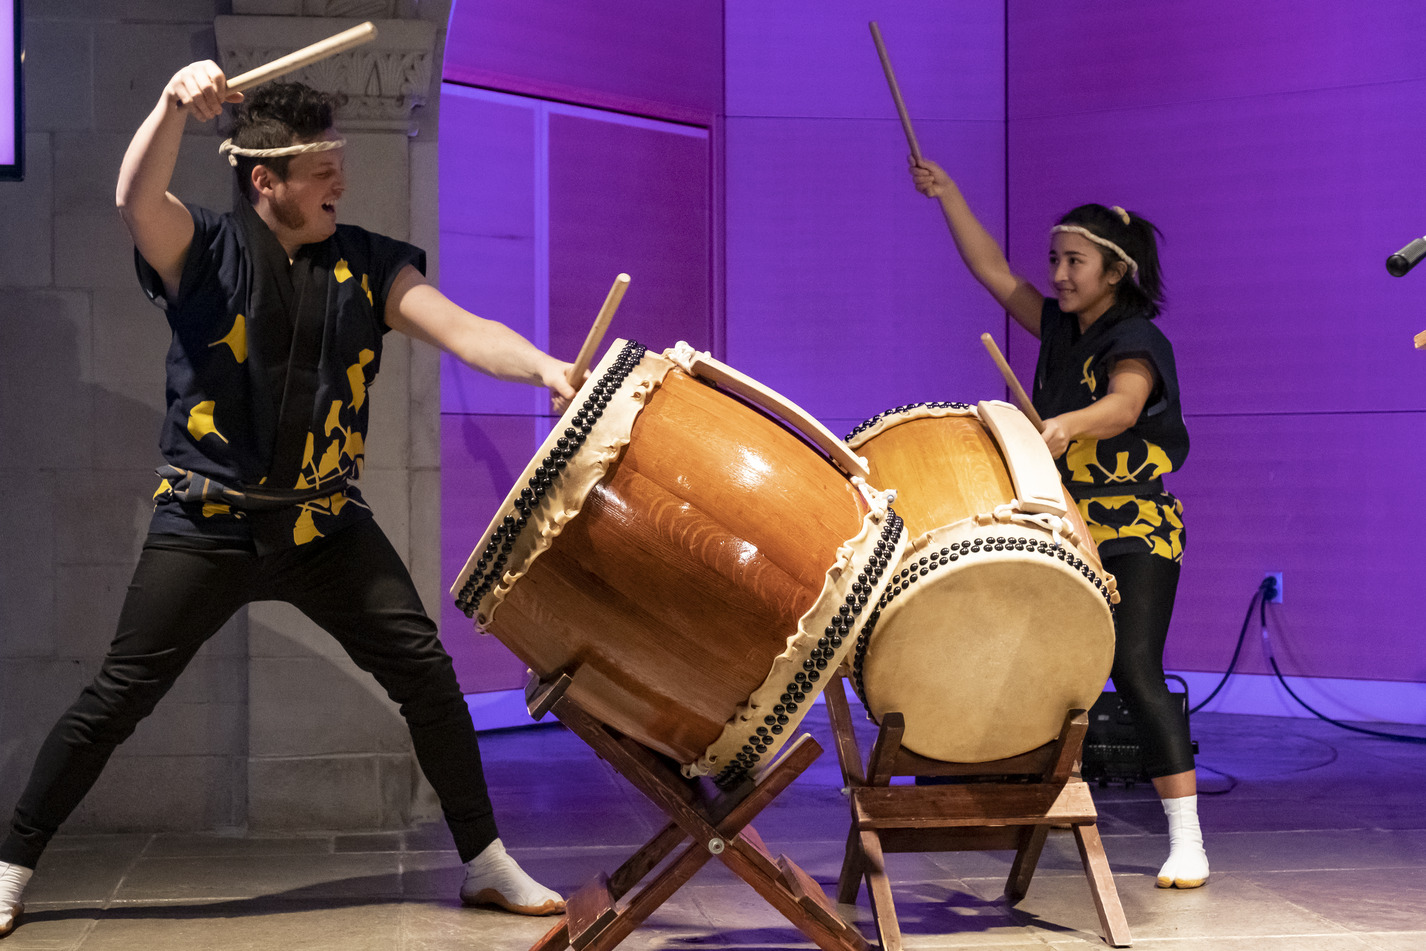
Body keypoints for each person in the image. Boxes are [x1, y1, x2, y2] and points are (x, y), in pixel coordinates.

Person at [0, 61, 578, 938]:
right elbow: (132, 197)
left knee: (424, 672)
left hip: (324, 524)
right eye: (320, 172)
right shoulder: (202, 249)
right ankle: (11, 864)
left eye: (337, 164)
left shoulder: (370, 263)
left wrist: (542, 367)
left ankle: (484, 860)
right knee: (116, 696)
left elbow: (462, 329)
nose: (339, 181)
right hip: (207, 519)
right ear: (265, 180)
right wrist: (166, 103)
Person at [909, 157, 1208, 889]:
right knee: (1036, 665)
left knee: (1135, 667)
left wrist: (1067, 424)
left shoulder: (1136, 336)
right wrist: (949, 194)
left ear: (1116, 271)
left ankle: (1188, 838)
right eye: (1056, 260)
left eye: (1075, 261)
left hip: (1134, 526)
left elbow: (1125, 407)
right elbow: (990, 268)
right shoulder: (1058, 325)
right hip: (1066, 524)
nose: (1060, 273)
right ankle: (1011, 806)